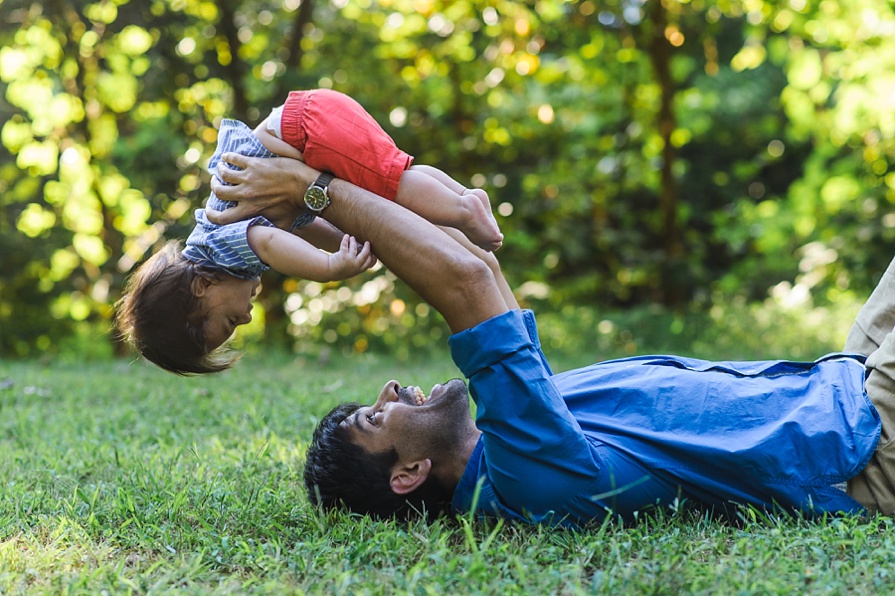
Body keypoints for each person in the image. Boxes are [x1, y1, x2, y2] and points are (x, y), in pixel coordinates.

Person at [206, 153, 895, 526]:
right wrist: (312, 188)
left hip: (842, 380)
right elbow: (466, 281)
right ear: (408, 474)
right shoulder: (529, 478)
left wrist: (312, 208)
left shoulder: (517, 426)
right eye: (373, 415)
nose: (387, 390)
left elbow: (469, 259)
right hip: (867, 443)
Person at [250, 88, 502, 252]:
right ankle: (465, 195)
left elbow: (263, 138)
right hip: (317, 106)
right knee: (396, 171)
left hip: (306, 127)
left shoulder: (246, 189)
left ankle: (464, 212)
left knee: (389, 184)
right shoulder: (247, 178)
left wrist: (303, 161)